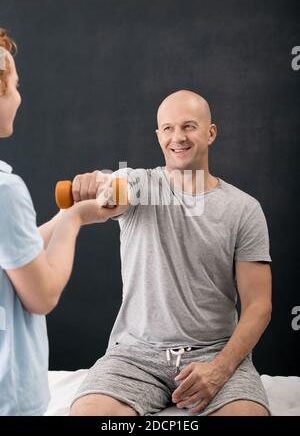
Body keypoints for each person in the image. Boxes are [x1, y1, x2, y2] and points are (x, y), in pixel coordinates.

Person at [69, 89, 272, 416]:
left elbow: (259, 305)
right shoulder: (137, 184)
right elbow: (115, 191)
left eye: (189, 126)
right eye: (168, 128)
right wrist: (102, 185)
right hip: (135, 355)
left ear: (211, 132)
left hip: (215, 352)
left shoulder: (244, 209)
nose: (177, 137)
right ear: (158, 135)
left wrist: (219, 370)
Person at [0, 28, 117, 415]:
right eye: (14, 86)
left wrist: (64, 215)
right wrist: (75, 220)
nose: (19, 97)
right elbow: (42, 294)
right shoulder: (6, 190)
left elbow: (15, 255)